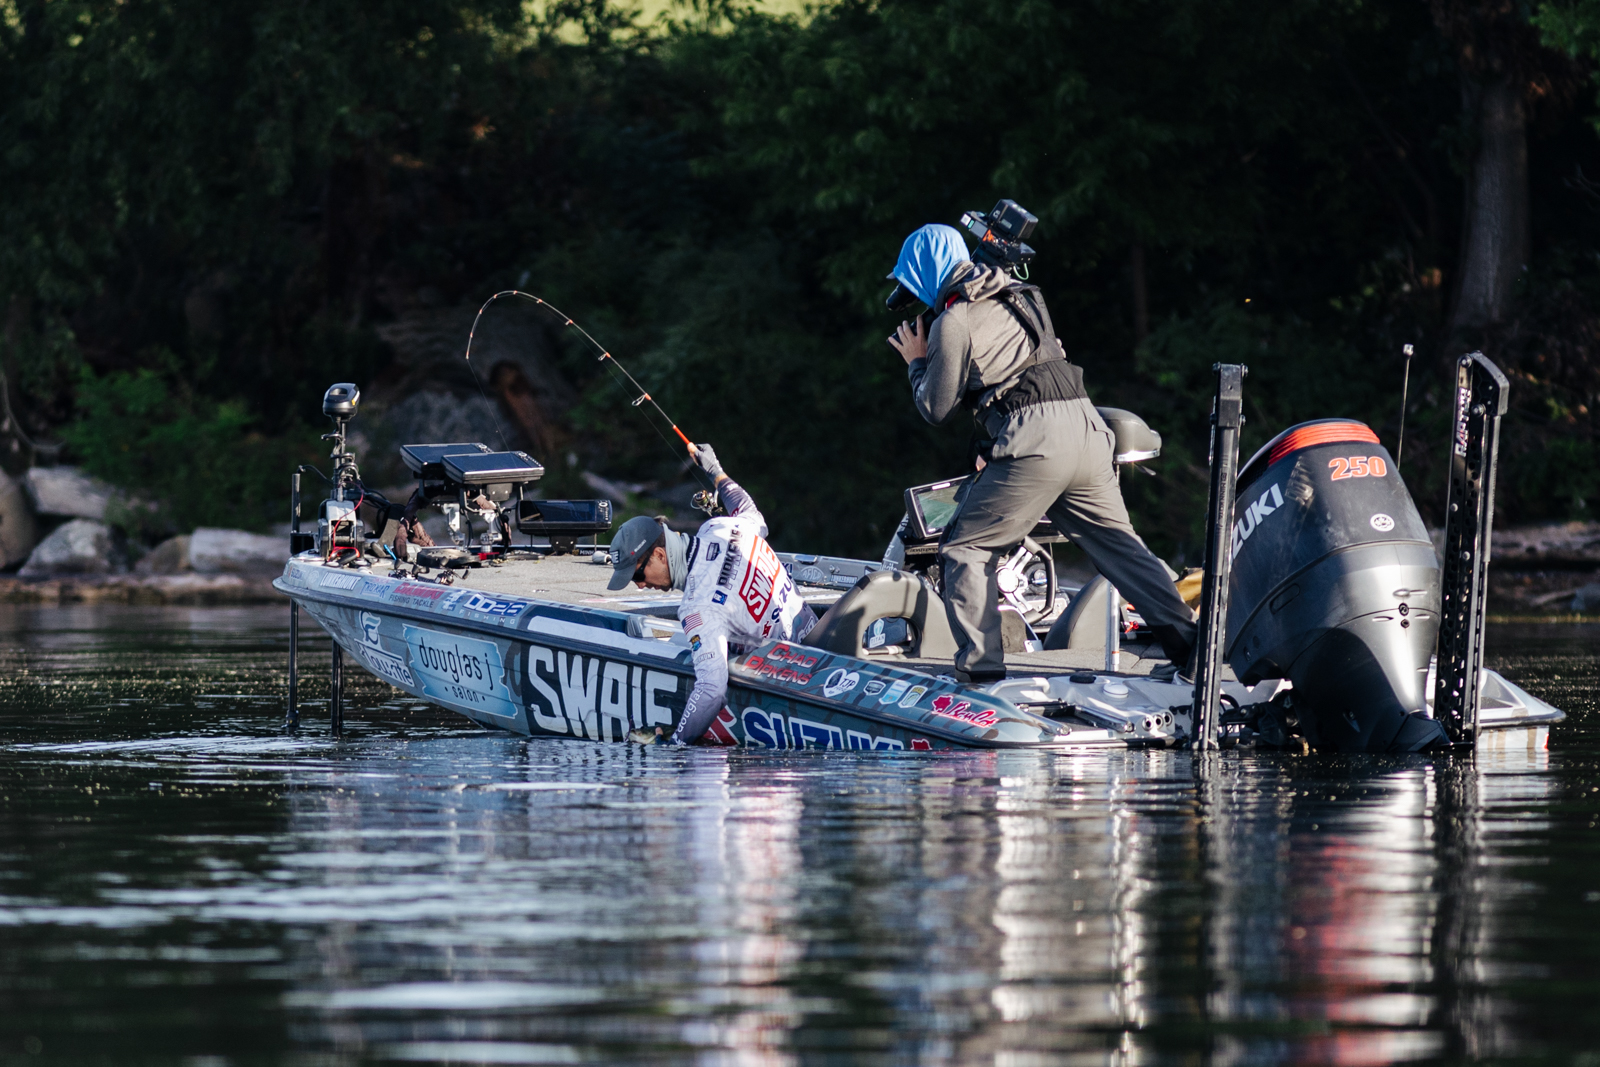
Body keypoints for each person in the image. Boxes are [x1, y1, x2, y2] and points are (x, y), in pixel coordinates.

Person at [885, 223, 1196, 682]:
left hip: (1037, 442)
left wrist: (916, 361)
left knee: (966, 548)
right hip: (1088, 429)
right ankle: (1194, 651)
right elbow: (1025, 371)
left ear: (927, 274)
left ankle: (981, 671)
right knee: (1122, 549)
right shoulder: (1025, 294)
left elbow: (936, 406)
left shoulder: (954, 321)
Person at [607, 444, 818, 744]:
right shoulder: (719, 526)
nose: (639, 586)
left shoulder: (696, 607)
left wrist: (675, 745)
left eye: (637, 575)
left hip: (795, 679)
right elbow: (749, 511)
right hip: (816, 637)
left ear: (659, 555)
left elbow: (711, 689)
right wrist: (716, 472)